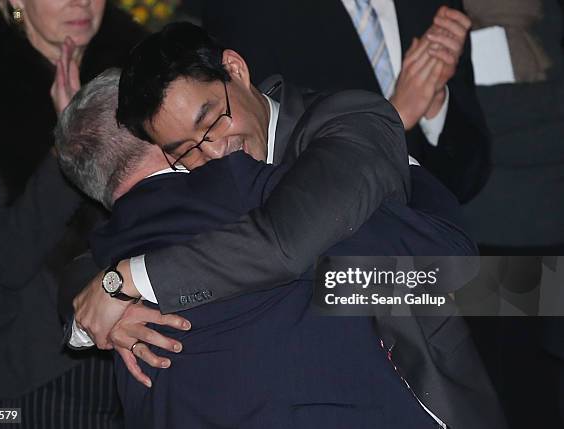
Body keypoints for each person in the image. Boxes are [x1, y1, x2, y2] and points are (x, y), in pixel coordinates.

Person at [71, 24, 507, 428]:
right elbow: (100, 249)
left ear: (236, 71)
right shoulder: (199, 167)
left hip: (442, 358)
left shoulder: (348, 122)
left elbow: (284, 246)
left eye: (212, 120)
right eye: (185, 150)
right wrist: (107, 311)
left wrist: (130, 281)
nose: (215, 151)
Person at [0, 0, 146, 425]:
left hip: (152, 350)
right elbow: (6, 258)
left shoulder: (145, 71)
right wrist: (71, 143)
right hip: (42, 370)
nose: (81, 3)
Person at [201, 0, 491, 203]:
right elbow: (267, 178)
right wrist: (393, 117)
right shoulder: (246, 11)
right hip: (340, 263)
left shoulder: (431, 8)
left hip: (445, 246)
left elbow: (469, 175)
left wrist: (435, 105)